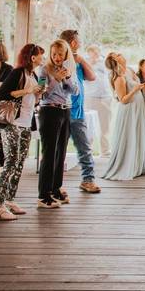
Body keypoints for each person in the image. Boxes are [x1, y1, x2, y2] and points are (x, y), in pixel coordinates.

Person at [0, 44, 44, 221]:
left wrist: (37, 94)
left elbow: (31, 101)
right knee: (11, 161)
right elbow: (3, 94)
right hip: (12, 123)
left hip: (26, 123)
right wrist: (29, 90)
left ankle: (10, 199)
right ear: (32, 57)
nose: (42, 57)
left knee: (20, 162)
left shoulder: (33, 74)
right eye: (40, 55)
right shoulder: (18, 72)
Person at [36, 39, 79, 209]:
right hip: (49, 111)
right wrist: (55, 80)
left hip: (65, 110)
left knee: (61, 152)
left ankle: (55, 188)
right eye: (54, 54)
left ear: (66, 54)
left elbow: (75, 91)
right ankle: (43, 194)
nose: (57, 57)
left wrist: (66, 78)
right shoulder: (43, 70)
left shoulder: (68, 70)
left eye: (60, 54)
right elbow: (41, 93)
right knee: (49, 153)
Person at [58, 30, 100, 194]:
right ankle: (56, 185)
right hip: (62, 111)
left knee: (84, 147)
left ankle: (88, 180)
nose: (80, 43)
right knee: (58, 149)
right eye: (78, 41)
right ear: (73, 43)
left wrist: (81, 59)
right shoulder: (58, 60)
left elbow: (92, 77)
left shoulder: (78, 61)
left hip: (78, 111)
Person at [102, 53, 145, 181]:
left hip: (139, 107)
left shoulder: (129, 70)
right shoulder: (119, 78)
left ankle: (138, 165)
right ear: (116, 61)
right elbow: (123, 100)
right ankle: (127, 166)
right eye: (118, 55)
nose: (121, 54)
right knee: (130, 136)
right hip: (130, 110)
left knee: (138, 135)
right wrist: (135, 90)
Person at [84, 44, 112, 157]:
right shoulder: (84, 62)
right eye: (93, 52)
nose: (96, 54)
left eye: (97, 52)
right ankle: (87, 151)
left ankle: (105, 151)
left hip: (105, 97)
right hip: (91, 97)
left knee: (105, 126)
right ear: (89, 52)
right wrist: (91, 62)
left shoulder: (104, 62)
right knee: (89, 125)